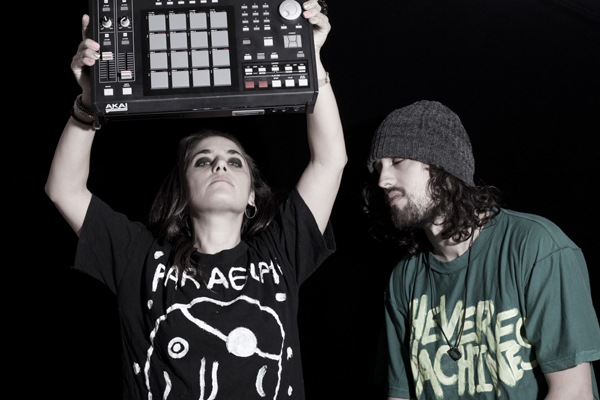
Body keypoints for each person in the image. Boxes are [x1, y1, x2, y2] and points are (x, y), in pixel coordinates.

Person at [45, 1, 346, 398]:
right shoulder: (141, 261)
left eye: (234, 161)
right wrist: (89, 102)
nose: (220, 165)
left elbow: (330, 161)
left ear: (252, 195)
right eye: (203, 161)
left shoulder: (281, 253)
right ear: (182, 192)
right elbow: (64, 189)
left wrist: (311, 59)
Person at [362, 100, 600, 399]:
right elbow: (399, 395)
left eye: (397, 161)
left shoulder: (537, 247)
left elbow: (574, 392)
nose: (383, 180)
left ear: (443, 166)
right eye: (378, 168)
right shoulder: (404, 278)